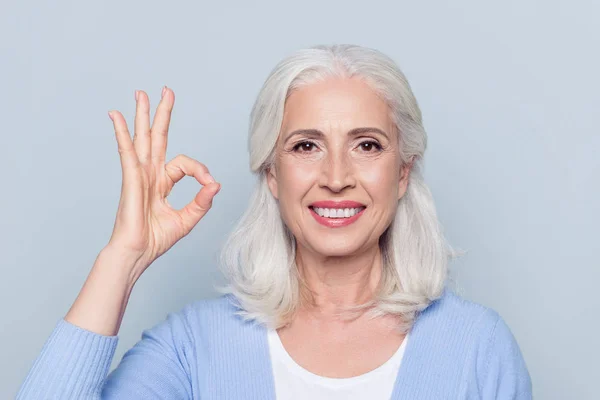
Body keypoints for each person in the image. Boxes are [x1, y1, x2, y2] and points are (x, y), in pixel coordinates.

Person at [17, 44, 532, 399]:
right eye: (305, 146)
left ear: (402, 172)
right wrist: (123, 258)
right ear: (271, 172)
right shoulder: (195, 347)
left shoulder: (477, 348)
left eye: (367, 145)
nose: (336, 176)